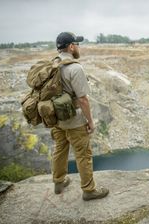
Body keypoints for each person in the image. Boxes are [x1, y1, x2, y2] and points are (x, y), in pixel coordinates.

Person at [51, 32, 109, 201]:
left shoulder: (53, 64)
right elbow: (82, 99)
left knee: (60, 150)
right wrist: (90, 121)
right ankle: (89, 191)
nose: (78, 47)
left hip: (56, 119)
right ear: (71, 46)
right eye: (77, 44)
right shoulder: (75, 68)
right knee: (83, 154)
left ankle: (59, 182)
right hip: (74, 120)